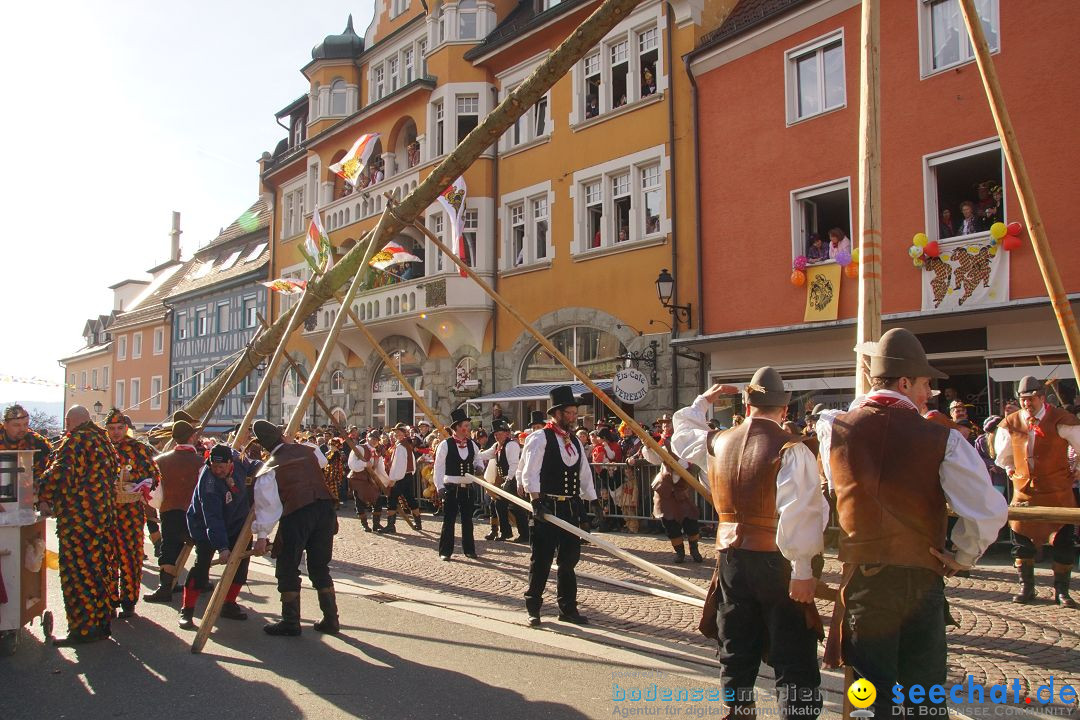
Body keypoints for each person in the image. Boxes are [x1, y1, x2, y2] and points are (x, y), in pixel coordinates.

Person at [816, 328, 1007, 718]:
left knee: (870, 693)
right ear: (904, 382)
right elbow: (989, 510)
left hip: (866, 579)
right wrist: (963, 555)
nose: (928, 394)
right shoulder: (943, 439)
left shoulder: (833, 428)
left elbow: (838, 482)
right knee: (924, 694)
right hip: (921, 580)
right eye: (923, 384)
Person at [671, 369, 829, 719]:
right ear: (783, 410)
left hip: (731, 560)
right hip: (777, 560)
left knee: (737, 645)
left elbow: (680, 434)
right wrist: (803, 569)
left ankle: (738, 711)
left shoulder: (717, 442)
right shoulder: (792, 448)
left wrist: (703, 402)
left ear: (746, 403)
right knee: (793, 652)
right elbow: (802, 513)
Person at [37, 406, 120, 645]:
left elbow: (59, 475)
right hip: (102, 518)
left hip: (78, 521)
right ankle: (101, 625)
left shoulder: (75, 443)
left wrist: (39, 489)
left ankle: (83, 630)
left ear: (70, 421)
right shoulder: (103, 442)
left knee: (78, 575)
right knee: (99, 572)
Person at [994, 376, 1080, 607]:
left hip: (1058, 493)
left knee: (1063, 542)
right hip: (1024, 494)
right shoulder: (1011, 422)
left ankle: (1061, 591)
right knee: (1022, 543)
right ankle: (1027, 588)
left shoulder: (1061, 419)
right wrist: (1012, 470)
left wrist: (1077, 469)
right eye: (1023, 399)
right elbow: (1003, 455)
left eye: (1031, 399)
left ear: (1042, 397)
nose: (1027, 404)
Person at [251, 419, 338, 636]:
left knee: (287, 565)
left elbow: (268, 506)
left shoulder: (270, 467)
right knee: (320, 566)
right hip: (325, 510)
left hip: (298, 513)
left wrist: (262, 535)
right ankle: (331, 619)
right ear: (281, 436)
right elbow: (322, 462)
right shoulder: (309, 450)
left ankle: (290, 621)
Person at [520, 386, 598, 627]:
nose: (574, 417)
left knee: (569, 561)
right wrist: (536, 502)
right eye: (570, 413)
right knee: (541, 560)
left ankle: (568, 608)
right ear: (557, 413)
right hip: (547, 507)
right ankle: (534, 606)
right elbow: (529, 472)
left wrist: (592, 501)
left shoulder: (573, 440)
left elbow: (584, 473)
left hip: (570, 509)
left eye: (575, 413)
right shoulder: (540, 438)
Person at [180, 444, 253, 629]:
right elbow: (213, 518)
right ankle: (187, 611)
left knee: (241, 565)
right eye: (214, 466)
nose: (218, 470)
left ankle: (229, 604)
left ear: (230, 463)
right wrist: (222, 547)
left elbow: (255, 465)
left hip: (237, 522)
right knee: (201, 566)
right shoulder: (209, 484)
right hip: (205, 526)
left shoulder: (239, 461)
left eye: (222, 467)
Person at [104, 409, 161, 619]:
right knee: (108, 557)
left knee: (130, 557)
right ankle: (110, 600)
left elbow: (154, 476)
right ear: (106, 430)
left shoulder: (138, 449)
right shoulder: (101, 449)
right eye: (111, 429)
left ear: (126, 429)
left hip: (131, 512)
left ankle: (129, 601)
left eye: (119, 428)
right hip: (107, 512)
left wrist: (137, 482)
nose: (116, 433)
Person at [144, 419, 204, 603]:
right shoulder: (201, 462)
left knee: (169, 549)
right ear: (192, 437)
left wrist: (161, 506)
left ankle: (165, 587)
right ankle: (199, 582)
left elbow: (155, 494)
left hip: (170, 510)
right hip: (193, 512)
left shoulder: (160, 461)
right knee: (201, 549)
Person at [642, 422, 701, 564]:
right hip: (665, 492)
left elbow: (693, 468)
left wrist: (681, 461)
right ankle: (679, 552)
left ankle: (694, 550)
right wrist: (648, 446)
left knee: (691, 522)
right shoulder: (664, 447)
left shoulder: (691, 453)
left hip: (682, 492)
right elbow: (653, 458)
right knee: (670, 524)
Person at [433, 408, 485, 560]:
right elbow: (439, 467)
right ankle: (445, 551)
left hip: (467, 489)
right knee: (449, 520)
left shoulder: (472, 444)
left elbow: (478, 458)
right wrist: (440, 486)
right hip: (451, 488)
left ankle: (469, 549)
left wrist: (479, 467)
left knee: (468, 521)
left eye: (469, 426)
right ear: (456, 427)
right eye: (465, 426)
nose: (468, 429)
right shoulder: (445, 444)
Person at [480, 419, 528, 542]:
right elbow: (485, 455)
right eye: (495, 434)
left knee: (517, 507)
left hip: (513, 479)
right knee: (497, 504)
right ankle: (504, 531)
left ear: (506, 433)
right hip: (505, 480)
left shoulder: (511, 445)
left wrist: (509, 480)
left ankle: (523, 534)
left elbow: (514, 464)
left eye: (499, 433)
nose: (497, 436)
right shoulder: (497, 446)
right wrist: (472, 454)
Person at [382, 423, 423, 533]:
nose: (397, 435)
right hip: (407, 475)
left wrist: (393, 479)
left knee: (391, 497)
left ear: (404, 434)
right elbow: (412, 462)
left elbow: (398, 465)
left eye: (399, 433)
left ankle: (391, 525)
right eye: (396, 433)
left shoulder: (401, 447)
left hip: (401, 477)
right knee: (410, 498)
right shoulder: (406, 445)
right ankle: (418, 522)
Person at [1, 403, 53, 479]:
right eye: (17, 425)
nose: (22, 429)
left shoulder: (38, 444)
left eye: (25, 424)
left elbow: (44, 476)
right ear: (5, 425)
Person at [346, 430, 382, 532]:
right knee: (359, 502)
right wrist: (364, 464)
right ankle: (364, 524)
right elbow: (352, 464)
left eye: (377, 440)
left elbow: (378, 468)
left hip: (369, 479)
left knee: (377, 500)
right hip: (358, 478)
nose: (375, 441)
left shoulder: (375, 452)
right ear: (367, 438)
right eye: (373, 438)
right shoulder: (359, 448)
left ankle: (376, 524)